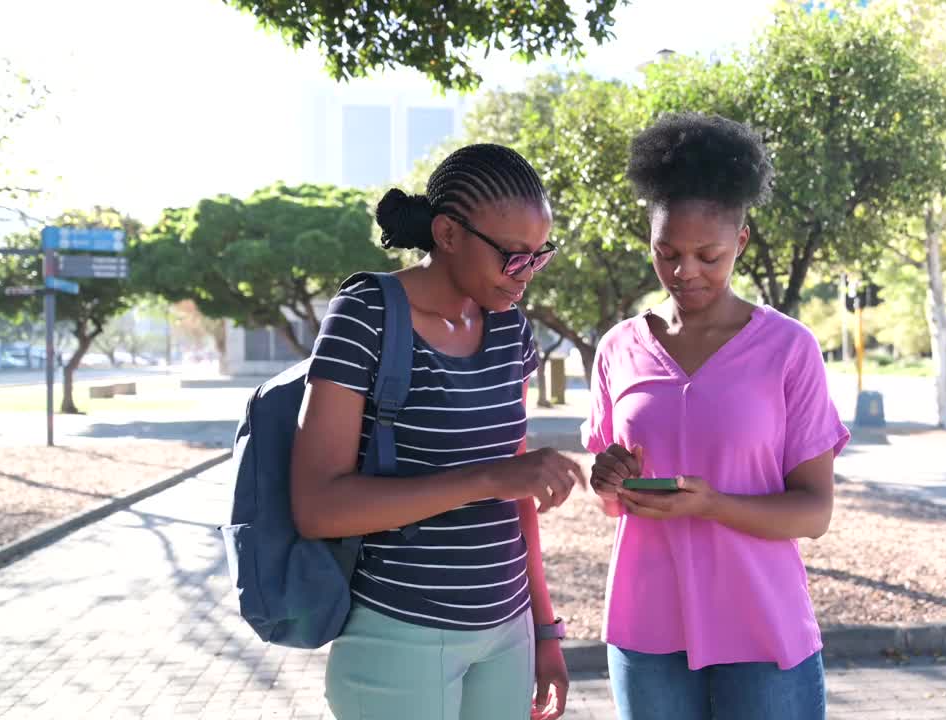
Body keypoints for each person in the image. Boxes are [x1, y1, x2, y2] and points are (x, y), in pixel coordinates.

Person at [291, 144, 586, 720]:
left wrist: (544, 630)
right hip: (400, 633)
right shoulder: (366, 315)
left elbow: (517, 500)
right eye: (512, 257)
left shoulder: (510, 331)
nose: (525, 275)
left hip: (508, 633)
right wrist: (491, 476)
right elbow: (317, 506)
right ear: (448, 233)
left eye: (539, 257)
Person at [582, 113, 850, 720]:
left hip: (762, 630)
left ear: (743, 242)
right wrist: (608, 481)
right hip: (646, 628)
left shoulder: (789, 349)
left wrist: (713, 505)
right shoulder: (618, 349)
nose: (686, 272)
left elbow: (814, 511)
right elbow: (611, 500)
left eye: (709, 254)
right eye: (667, 252)